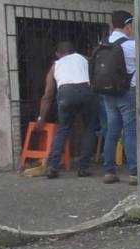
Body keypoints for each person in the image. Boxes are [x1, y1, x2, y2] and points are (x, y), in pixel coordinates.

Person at [100, 10, 140, 186]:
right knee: (132, 132)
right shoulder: (131, 45)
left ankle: (109, 171)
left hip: (108, 93)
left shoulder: (103, 43)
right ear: (128, 26)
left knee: (112, 132)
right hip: (128, 93)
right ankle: (135, 174)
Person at [35, 41, 97, 178]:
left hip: (65, 94)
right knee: (90, 128)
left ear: (57, 54)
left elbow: (48, 94)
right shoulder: (84, 59)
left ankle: (52, 167)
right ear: (74, 51)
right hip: (85, 92)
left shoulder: (55, 66)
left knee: (63, 129)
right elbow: (95, 74)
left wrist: (41, 118)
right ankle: (83, 167)